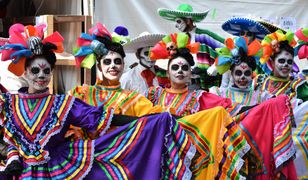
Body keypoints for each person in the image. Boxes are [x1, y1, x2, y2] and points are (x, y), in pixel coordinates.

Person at [0, 23, 194, 179]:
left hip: (58, 170)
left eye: (46, 71)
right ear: (25, 73)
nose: (41, 76)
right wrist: (12, 158)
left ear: (52, 73)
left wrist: (153, 121)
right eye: (35, 70)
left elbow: (101, 118)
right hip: (19, 171)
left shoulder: (63, 104)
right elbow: (10, 139)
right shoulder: (9, 104)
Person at [71, 23, 195, 178]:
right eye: (107, 62)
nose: (113, 66)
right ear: (99, 66)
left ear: (123, 65)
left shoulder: (133, 98)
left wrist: (194, 121)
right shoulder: (83, 94)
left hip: (121, 164)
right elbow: (69, 123)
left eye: (117, 61)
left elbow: (158, 117)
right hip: (87, 162)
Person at [149, 33, 253, 179]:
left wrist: (263, 107)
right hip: (158, 156)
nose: (180, 71)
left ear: (190, 74)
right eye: (175, 68)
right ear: (168, 72)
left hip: (188, 161)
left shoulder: (199, 97)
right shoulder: (153, 95)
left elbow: (233, 108)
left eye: (185, 68)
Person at [158, 3, 225, 90]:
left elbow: (228, 49)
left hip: (208, 85)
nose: (176, 25)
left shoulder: (204, 35)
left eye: (179, 21)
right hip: (188, 85)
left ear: (188, 21)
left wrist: (215, 66)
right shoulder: (180, 40)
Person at [209, 36, 272, 106]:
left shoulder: (260, 97)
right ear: (232, 74)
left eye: (247, 73)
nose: (243, 77)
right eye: (238, 73)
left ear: (252, 74)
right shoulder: (219, 94)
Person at [255, 29, 308, 102]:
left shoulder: (297, 86)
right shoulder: (259, 81)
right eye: (281, 61)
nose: (286, 64)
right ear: (273, 62)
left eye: (289, 61)